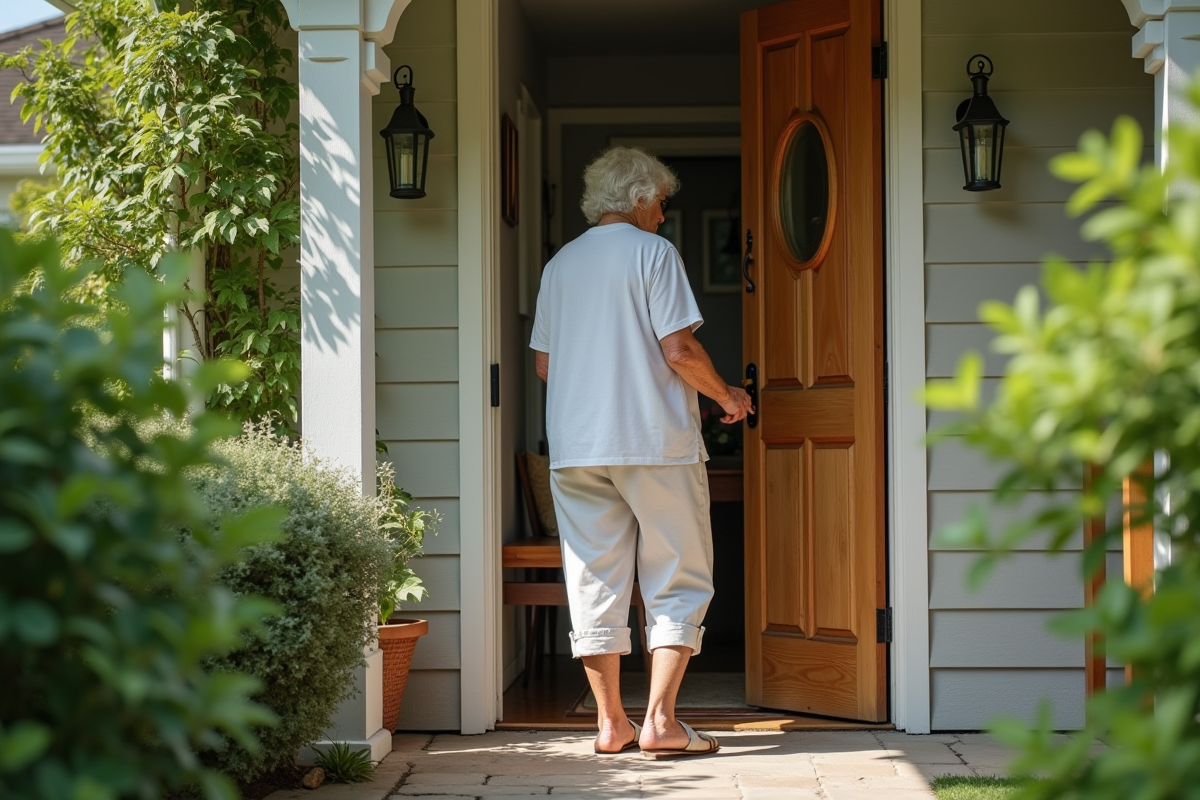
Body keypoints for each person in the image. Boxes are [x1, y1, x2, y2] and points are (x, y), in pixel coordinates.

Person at [529, 147, 754, 759]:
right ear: (636, 200)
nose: (662, 215)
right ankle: (660, 722)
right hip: (654, 443)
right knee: (678, 573)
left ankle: (610, 724)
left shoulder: (560, 265)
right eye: (659, 203)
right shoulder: (654, 253)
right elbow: (678, 350)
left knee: (592, 576)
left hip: (578, 448)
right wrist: (728, 395)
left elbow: (546, 365)